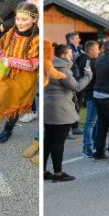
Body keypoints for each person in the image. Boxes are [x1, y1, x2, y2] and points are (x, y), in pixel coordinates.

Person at [0, 2, 40, 143]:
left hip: (23, 79)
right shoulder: (11, 33)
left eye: (24, 20)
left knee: (15, 105)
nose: (20, 23)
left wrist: (11, 61)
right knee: (2, 98)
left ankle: (8, 129)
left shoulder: (37, 40)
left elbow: (32, 65)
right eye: (18, 19)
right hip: (7, 75)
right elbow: (2, 51)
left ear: (34, 20)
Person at [44, 43, 92, 182]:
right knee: (58, 142)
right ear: (64, 55)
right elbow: (76, 87)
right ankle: (58, 173)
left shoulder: (48, 65)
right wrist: (88, 75)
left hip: (48, 106)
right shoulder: (63, 69)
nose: (72, 57)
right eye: (70, 54)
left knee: (48, 140)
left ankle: (43, 171)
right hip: (61, 109)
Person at [74, 40, 100, 157]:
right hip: (91, 93)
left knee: (93, 121)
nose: (99, 51)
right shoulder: (88, 61)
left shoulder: (82, 58)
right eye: (97, 49)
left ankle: (94, 144)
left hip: (90, 93)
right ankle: (87, 148)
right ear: (91, 50)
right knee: (90, 122)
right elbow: (88, 78)